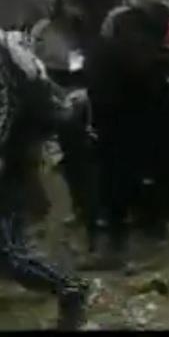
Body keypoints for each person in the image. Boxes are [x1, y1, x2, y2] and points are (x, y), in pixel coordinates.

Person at [0, 32, 92, 330]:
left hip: (8, 156)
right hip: (16, 149)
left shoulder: (5, 57)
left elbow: (10, 107)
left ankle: (69, 287)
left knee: (9, 251)